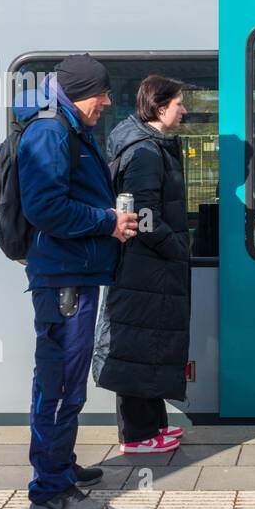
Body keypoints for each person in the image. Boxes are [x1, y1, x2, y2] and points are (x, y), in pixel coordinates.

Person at [16, 54, 138, 509]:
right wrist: (107, 222)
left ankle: (60, 464)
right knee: (61, 383)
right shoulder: (51, 132)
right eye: (101, 94)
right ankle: (50, 489)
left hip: (74, 273)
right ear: (80, 92)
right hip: (63, 279)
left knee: (65, 380)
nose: (106, 102)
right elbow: (45, 207)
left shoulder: (68, 128)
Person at [92, 75, 191, 454]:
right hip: (145, 265)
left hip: (149, 266)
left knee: (149, 344)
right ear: (160, 108)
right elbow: (144, 213)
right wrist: (176, 248)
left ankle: (153, 426)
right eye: (179, 104)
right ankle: (136, 436)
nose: (184, 111)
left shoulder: (151, 147)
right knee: (137, 345)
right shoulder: (146, 153)